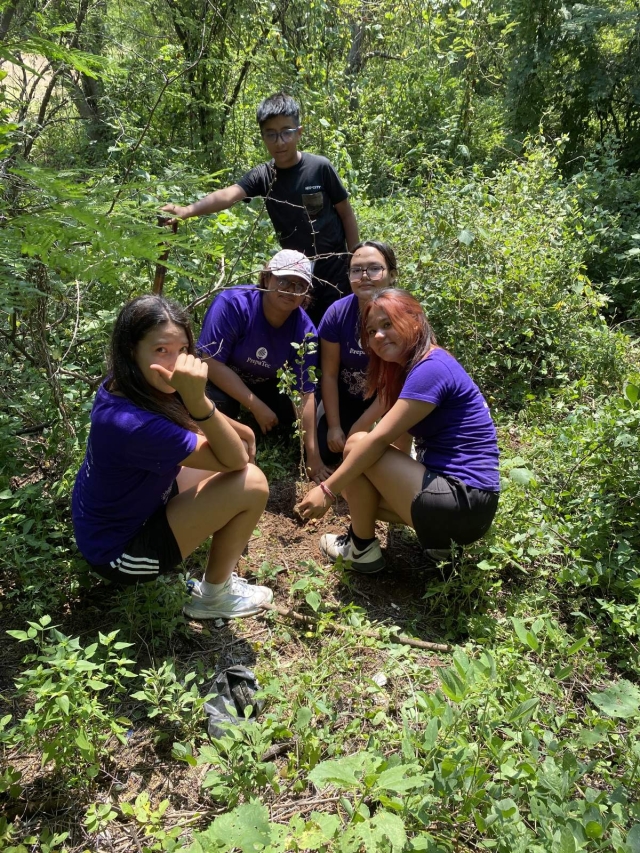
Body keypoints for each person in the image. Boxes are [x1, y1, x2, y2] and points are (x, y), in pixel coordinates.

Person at [72, 294, 273, 620]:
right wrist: (198, 398)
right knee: (250, 482)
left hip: (114, 515)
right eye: (161, 350)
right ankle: (214, 597)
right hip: (119, 553)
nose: (175, 363)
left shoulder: (123, 384)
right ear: (130, 350)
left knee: (227, 466)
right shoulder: (133, 426)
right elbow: (234, 459)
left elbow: (177, 415)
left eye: (182, 350)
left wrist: (235, 426)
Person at [297, 289, 500, 572]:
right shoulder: (415, 369)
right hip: (471, 510)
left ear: (416, 320)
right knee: (359, 492)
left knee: (357, 445)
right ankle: (439, 545)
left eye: (387, 324)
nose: (378, 336)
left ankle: (360, 547)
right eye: (371, 331)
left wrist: (328, 489)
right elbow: (402, 443)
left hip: (460, 501)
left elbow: (380, 439)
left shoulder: (432, 367)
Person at [162, 92, 359, 325]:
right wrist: (186, 211)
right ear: (263, 137)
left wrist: (355, 259)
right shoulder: (264, 176)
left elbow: (346, 213)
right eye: (271, 134)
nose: (280, 141)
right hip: (295, 275)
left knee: (339, 328)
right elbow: (228, 195)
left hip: (335, 268)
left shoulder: (320, 168)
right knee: (305, 334)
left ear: (299, 132)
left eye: (286, 132)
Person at [197, 249, 332, 483]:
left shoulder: (305, 330)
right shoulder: (233, 304)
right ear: (267, 277)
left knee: (307, 426)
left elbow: (304, 393)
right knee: (216, 402)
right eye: (284, 281)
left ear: (305, 293)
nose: (290, 290)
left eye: (299, 286)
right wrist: (256, 406)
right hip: (223, 380)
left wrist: (313, 457)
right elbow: (209, 360)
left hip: (269, 384)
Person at [317, 240, 398, 466]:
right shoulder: (337, 313)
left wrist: (360, 427)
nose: (364, 276)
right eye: (356, 270)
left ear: (391, 274)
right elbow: (330, 374)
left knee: (377, 452)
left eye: (374, 268)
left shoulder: (404, 315)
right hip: (348, 398)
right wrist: (334, 427)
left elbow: (398, 382)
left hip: (390, 400)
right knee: (328, 450)